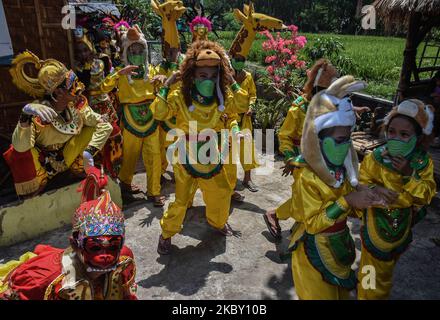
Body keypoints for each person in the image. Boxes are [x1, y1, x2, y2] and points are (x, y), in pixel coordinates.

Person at [287, 76, 384, 300]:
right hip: (313, 251)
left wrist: (371, 196)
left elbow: (352, 204)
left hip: (339, 245)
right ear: (317, 140)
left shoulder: (341, 171)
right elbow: (312, 224)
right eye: (340, 139)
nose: (347, 144)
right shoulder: (308, 177)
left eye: (348, 137)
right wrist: (347, 202)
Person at [151, 40, 251, 255]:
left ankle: (217, 222)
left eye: (213, 76)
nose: (208, 80)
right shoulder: (180, 96)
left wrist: (231, 81)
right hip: (185, 157)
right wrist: (167, 85)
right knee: (181, 200)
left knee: (223, 191)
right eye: (202, 76)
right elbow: (159, 113)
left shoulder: (222, 97)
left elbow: (241, 106)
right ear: (192, 76)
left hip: (213, 155)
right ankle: (166, 234)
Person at [0, 168, 137, 300]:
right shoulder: (41, 279)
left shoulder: (124, 260)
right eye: (95, 248)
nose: (106, 256)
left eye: (113, 247)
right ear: (75, 244)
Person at [3, 51, 112, 198]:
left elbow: (95, 120)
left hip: (67, 157)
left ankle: (80, 164)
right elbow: (20, 147)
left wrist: (89, 150)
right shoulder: (38, 114)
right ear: (59, 92)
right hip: (43, 165)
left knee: (101, 127)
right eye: (73, 84)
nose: (80, 86)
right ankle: (38, 185)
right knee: (24, 150)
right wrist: (25, 116)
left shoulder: (76, 103)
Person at [357, 99, 436, 300]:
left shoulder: (421, 163)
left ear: (418, 138)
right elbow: (360, 182)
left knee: (385, 269)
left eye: (404, 135)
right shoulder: (375, 157)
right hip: (375, 221)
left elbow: (426, 195)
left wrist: (410, 174)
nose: (396, 138)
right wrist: (377, 189)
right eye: (391, 132)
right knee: (371, 270)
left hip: (401, 225)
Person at [264, 59, 338, 239]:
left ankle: (294, 219)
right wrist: (290, 159)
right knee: (305, 195)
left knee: (319, 195)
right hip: (302, 161)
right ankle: (278, 216)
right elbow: (285, 136)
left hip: (326, 160)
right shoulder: (298, 109)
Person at [100, 25, 166, 207]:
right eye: (133, 50)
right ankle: (126, 184)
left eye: (140, 50)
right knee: (130, 154)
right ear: (127, 52)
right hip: (130, 116)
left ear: (144, 51)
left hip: (150, 114)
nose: (136, 53)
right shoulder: (121, 72)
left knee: (154, 154)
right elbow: (103, 87)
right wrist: (118, 74)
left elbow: (162, 91)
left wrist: (162, 81)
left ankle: (154, 191)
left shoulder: (151, 70)